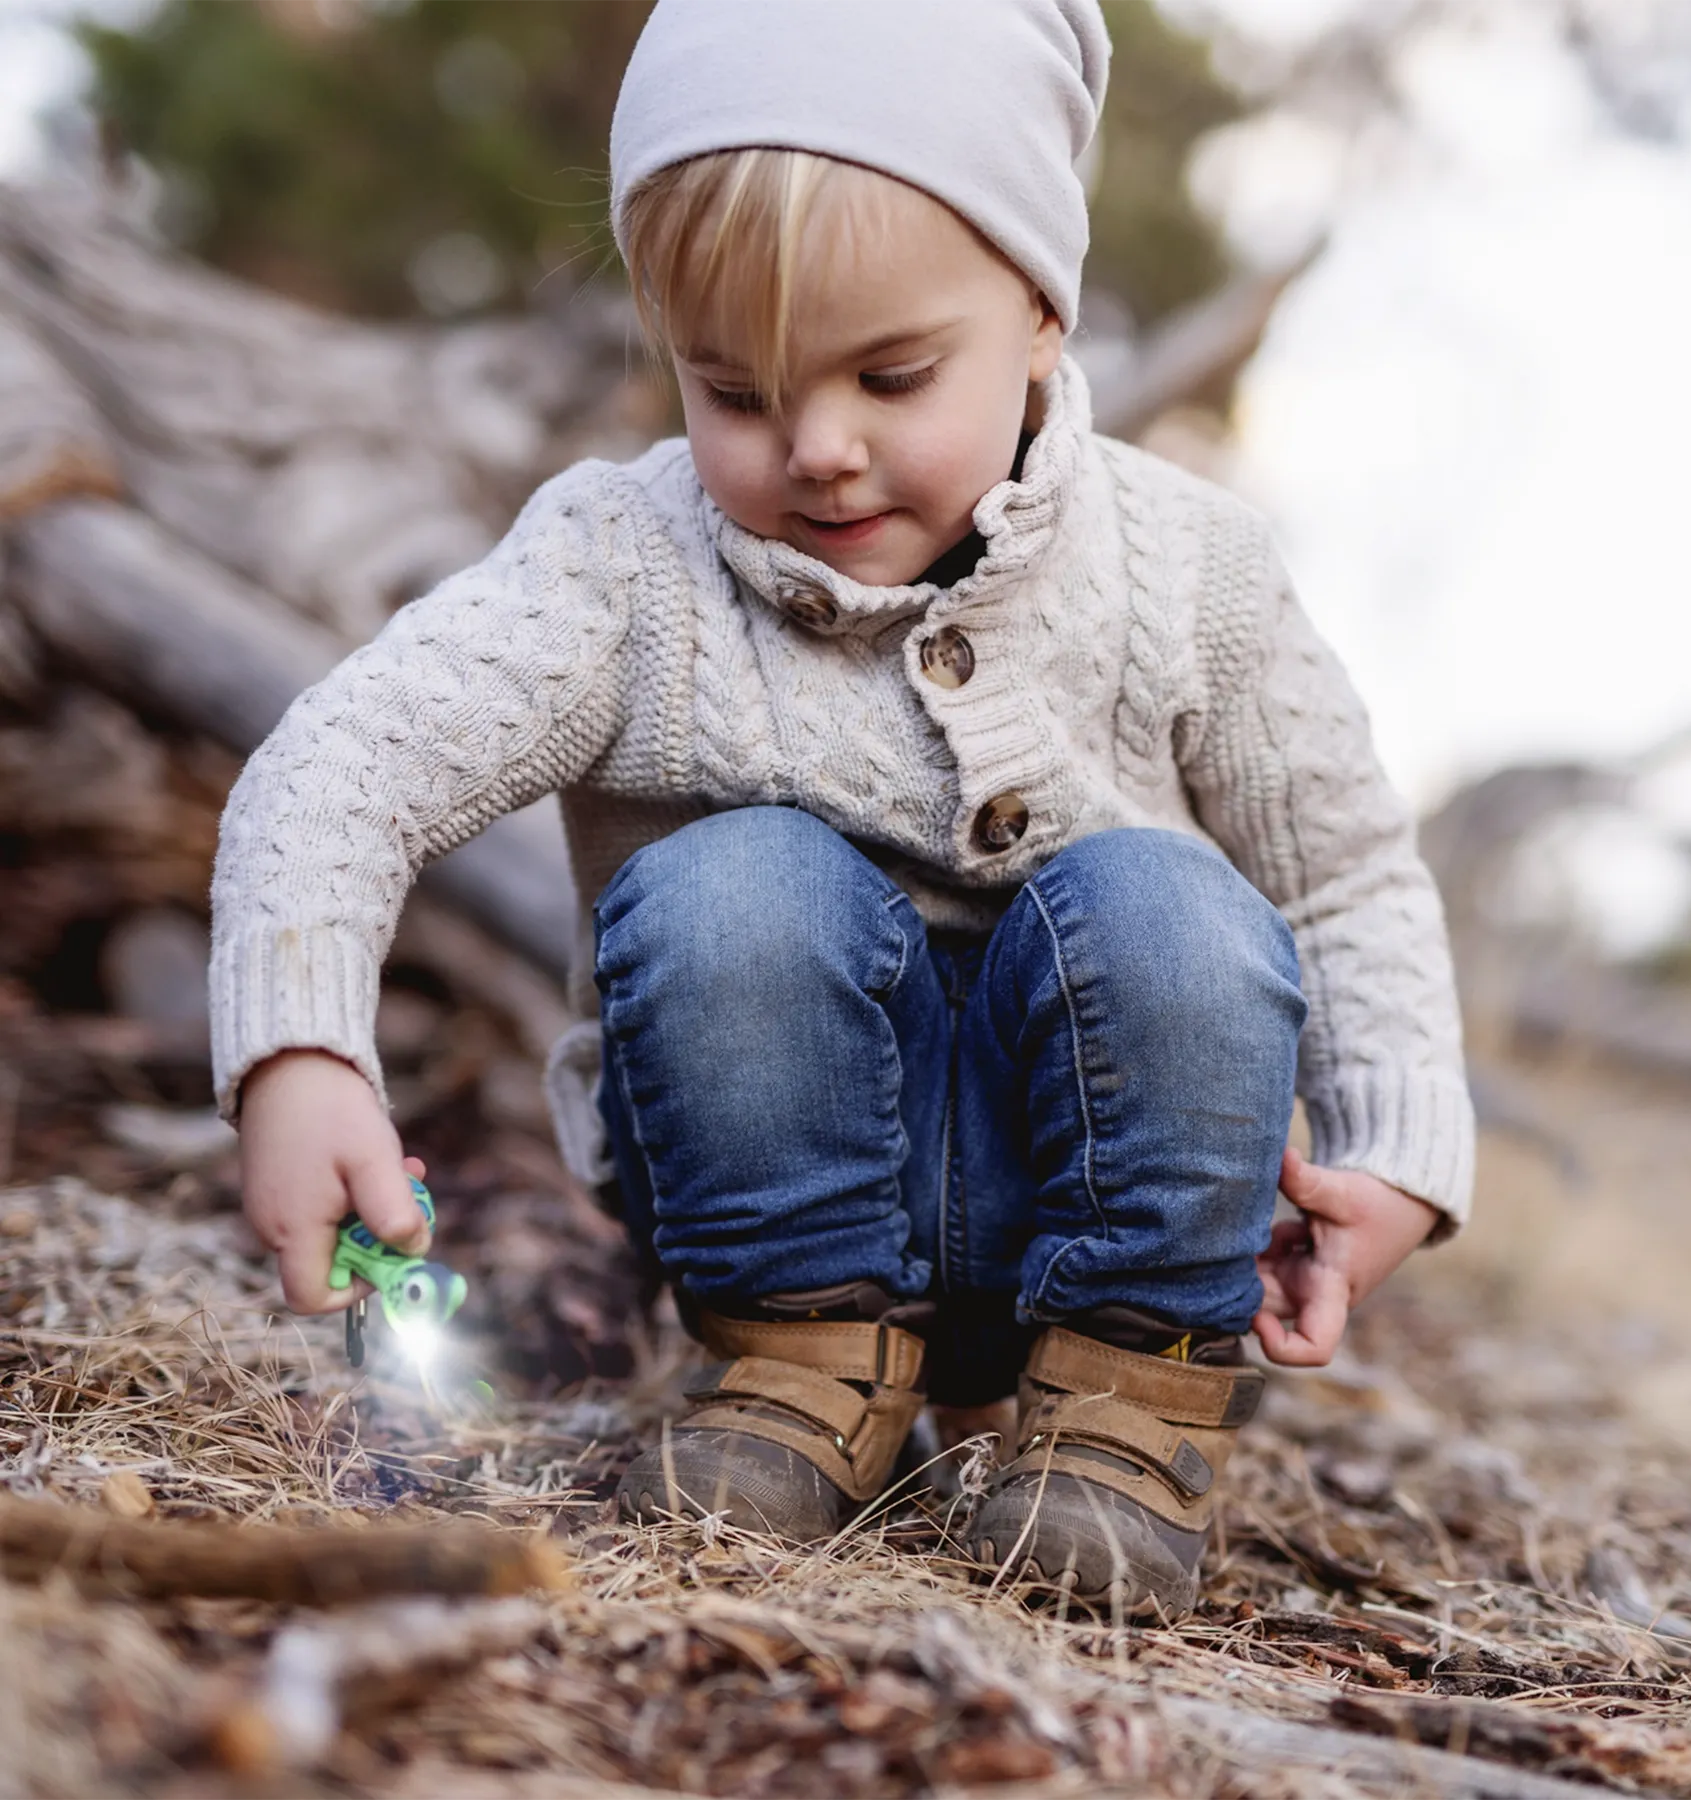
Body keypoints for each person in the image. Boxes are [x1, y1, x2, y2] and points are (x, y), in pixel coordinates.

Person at [211, 0, 1474, 1622]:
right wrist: (300, 1048)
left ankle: (1112, 1407)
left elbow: (1352, 871)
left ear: (1038, 313)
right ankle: (796, 1375)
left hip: (1094, 1195)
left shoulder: (1192, 573)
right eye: (730, 389)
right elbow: (346, 760)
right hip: (770, 1201)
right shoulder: (625, 569)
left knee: (1174, 909)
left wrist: (1401, 1150)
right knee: (731, 886)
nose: (818, 449)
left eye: (892, 374)